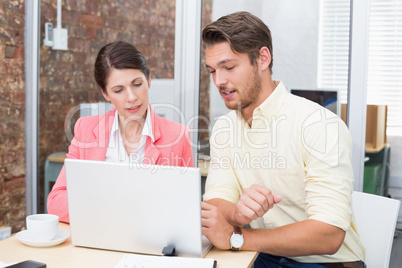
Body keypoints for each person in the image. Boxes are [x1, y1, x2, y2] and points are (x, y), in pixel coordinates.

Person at [200, 11, 366, 267]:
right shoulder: (224, 128)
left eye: (229, 67)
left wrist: (238, 236)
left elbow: (329, 234)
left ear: (262, 58)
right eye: (212, 70)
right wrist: (236, 213)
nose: (219, 81)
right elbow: (215, 207)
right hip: (259, 257)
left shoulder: (319, 125)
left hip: (322, 263)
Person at [48, 41, 194, 223]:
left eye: (137, 84)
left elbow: (186, 206)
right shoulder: (85, 129)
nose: (131, 97)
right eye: (118, 90)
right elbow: (56, 200)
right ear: (106, 93)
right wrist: (110, 209)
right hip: (99, 238)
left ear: (148, 79)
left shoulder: (178, 136)